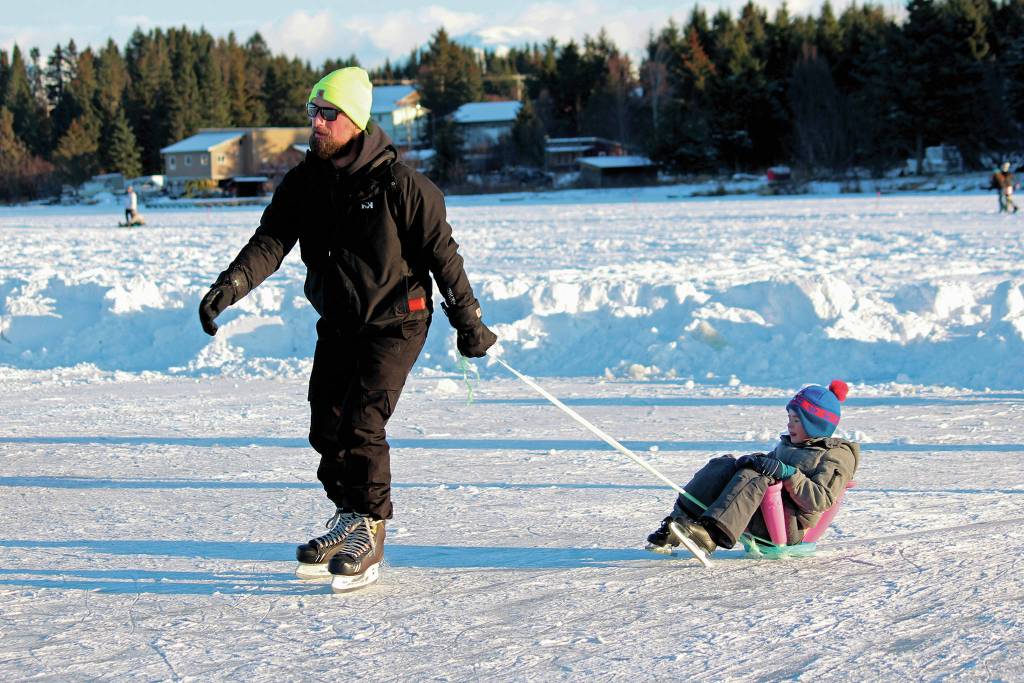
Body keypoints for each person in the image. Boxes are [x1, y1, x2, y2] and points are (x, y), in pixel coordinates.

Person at [197, 67, 498, 590]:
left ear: (355, 121)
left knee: (362, 423)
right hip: (338, 321)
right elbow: (271, 239)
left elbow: (444, 258)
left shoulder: (404, 187)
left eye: (327, 113)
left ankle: (372, 527)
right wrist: (230, 286)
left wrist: (468, 323)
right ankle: (348, 515)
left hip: (397, 321)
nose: (316, 122)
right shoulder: (305, 180)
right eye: (312, 112)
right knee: (325, 424)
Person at [646, 380, 859, 563]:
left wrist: (788, 473)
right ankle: (677, 523)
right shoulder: (790, 444)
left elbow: (821, 499)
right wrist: (756, 460)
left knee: (755, 476)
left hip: (787, 528)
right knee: (726, 464)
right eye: (789, 418)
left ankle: (712, 533)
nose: (789, 425)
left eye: (796, 420)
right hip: (765, 513)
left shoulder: (836, 455)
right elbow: (772, 466)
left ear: (815, 424)